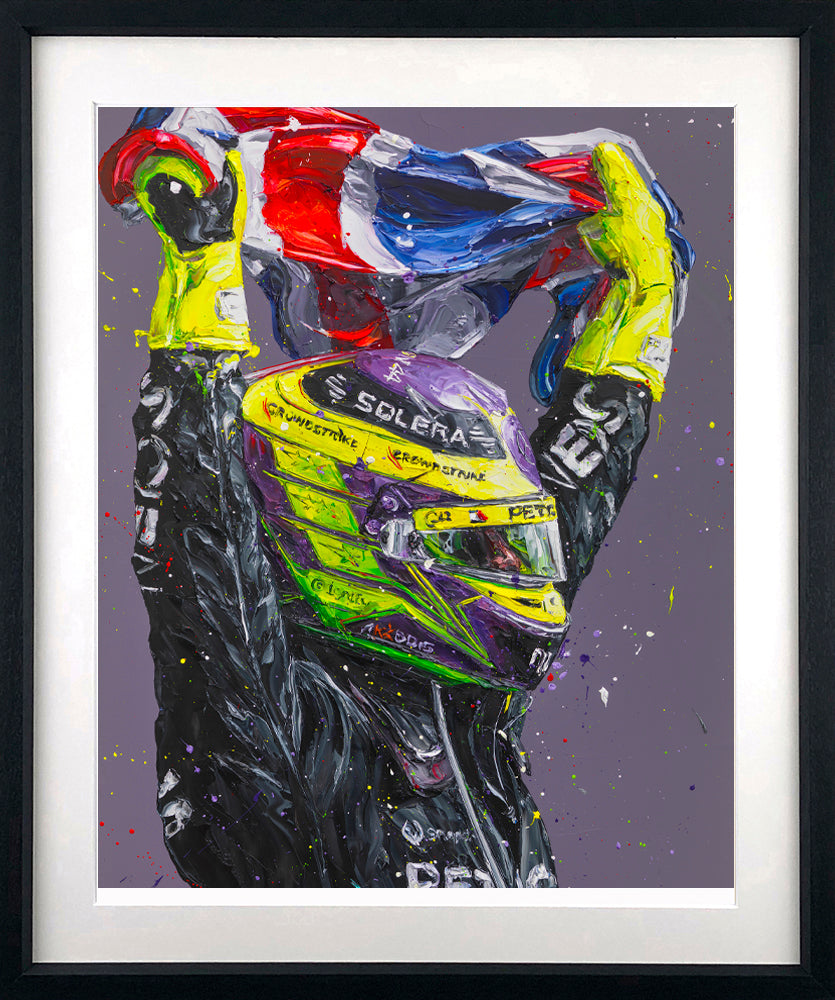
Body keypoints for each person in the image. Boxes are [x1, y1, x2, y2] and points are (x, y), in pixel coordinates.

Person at [100, 107, 692, 888]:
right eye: (476, 544)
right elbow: (202, 539)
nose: (520, 570)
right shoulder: (277, 729)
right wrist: (200, 273)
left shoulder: (465, 695)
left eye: (515, 542)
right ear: (348, 531)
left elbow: (569, 502)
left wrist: (639, 307)